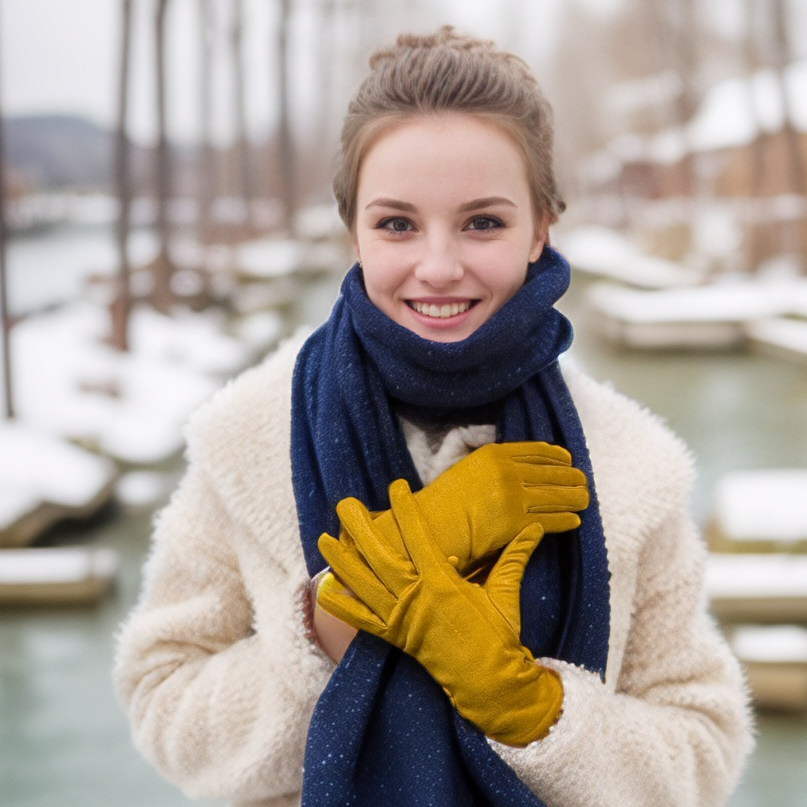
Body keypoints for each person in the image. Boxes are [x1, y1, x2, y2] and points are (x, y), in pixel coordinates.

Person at [114, 27, 753, 807]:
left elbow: (703, 750)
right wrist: (340, 614)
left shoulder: (631, 467)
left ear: (539, 227)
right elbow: (163, 708)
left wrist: (526, 704)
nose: (439, 265)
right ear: (352, 229)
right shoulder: (246, 437)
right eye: (397, 224)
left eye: (482, 221)